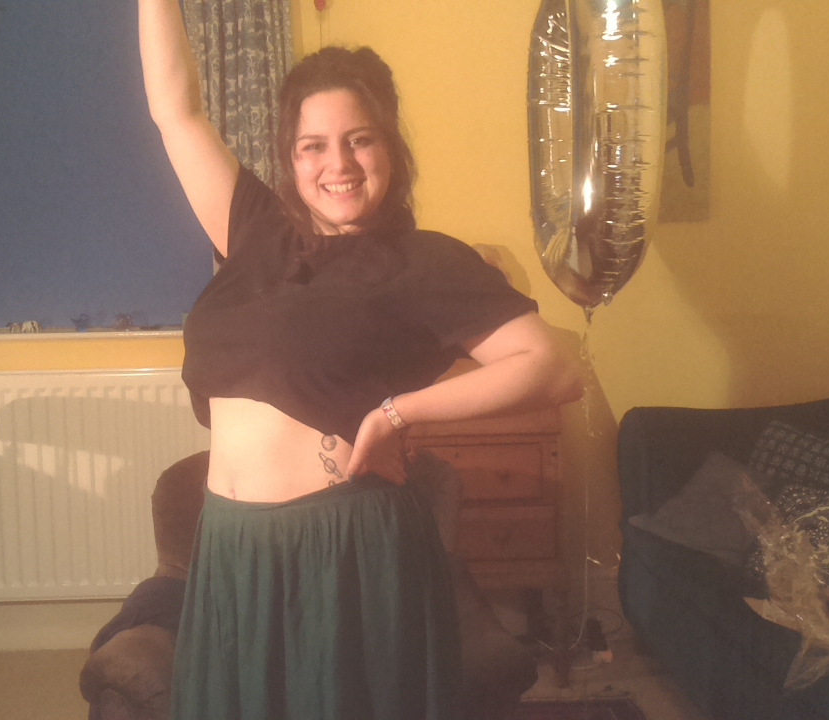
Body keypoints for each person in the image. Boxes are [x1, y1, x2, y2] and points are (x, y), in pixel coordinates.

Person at [137, 1, 584, 717]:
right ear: (290, 159)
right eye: (312, 145)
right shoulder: (253, 232)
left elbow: (555, 365)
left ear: (391, 149)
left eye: (360, 140)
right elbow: (175, 111)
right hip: (231, 545)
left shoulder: (422, 262)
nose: (337, 164)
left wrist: (395, 413)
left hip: (345, 546)